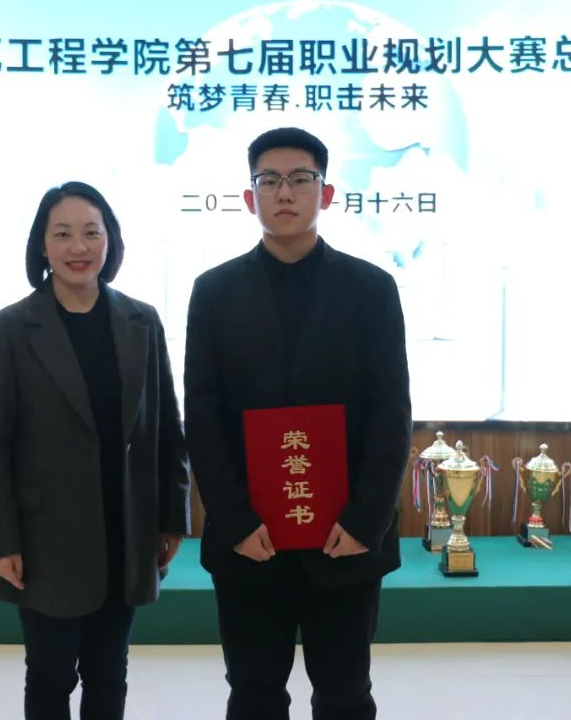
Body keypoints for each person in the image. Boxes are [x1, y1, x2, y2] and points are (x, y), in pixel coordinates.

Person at [184, 127, 412, 720]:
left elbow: (391, 414)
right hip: (249, 541)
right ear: (249, 197)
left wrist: (363, 521)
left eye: (300, 179)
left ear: (326, 193)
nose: (284, 192)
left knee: (344, 694)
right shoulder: (214, 292)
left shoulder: (372, 289)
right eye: (269, 180)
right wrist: (235, 521)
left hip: (344, 538)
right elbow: (203, 417)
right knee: (253, 694)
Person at [0, 181, 191, 720]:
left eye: (92, 233)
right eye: (63, 234)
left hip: (125, 531)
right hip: (44, 540)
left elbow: (167, 427)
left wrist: (172, 516)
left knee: (109, 673)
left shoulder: (142, 321)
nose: (79, 247)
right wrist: (1, 540)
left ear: (110, 241)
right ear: (42, 245)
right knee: (50, 676)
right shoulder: (11, 327)